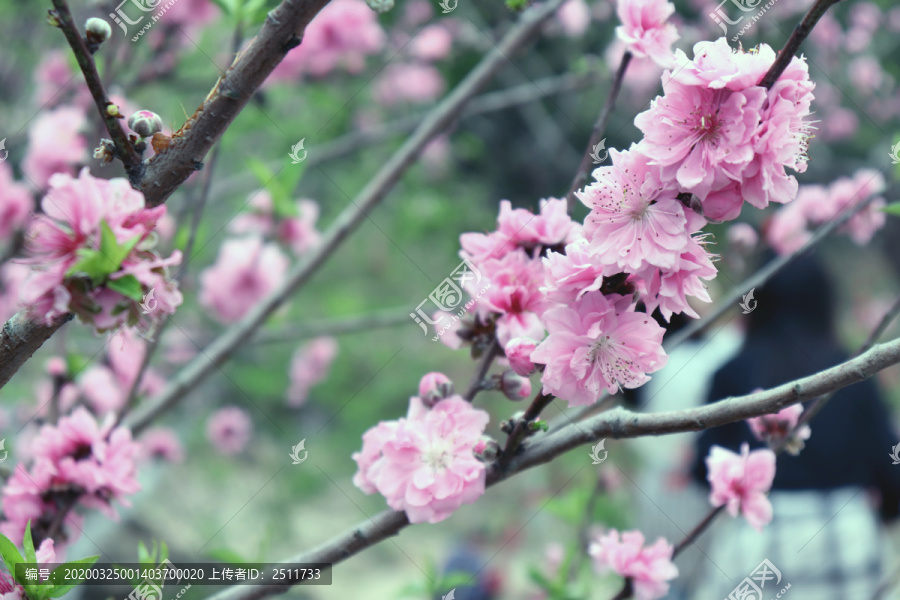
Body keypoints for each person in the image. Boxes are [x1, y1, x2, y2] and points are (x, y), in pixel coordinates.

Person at [688, 253, 900, 600]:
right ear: (823, 300)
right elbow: (889, 467)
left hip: (756, 544)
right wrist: (886, 513)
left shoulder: (732, 372)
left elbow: (703, 469)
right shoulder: (851, 371)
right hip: (846, 540)